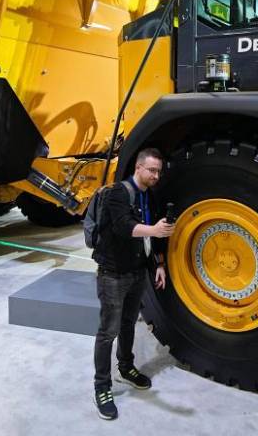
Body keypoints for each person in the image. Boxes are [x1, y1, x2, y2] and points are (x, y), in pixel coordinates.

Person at [92, 147, 175, 421]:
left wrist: (159, 265)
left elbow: (151, 239)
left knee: (128, 325)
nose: (155, 176)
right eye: (151, 170)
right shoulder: (119, 192)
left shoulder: (148, 196)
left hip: (137, 272)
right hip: (113, 274)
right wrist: (154, 230)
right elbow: (123, 227)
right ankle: (102, 386)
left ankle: (126, 368)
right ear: (138, 168)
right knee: (108, 332)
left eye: (158, 171)